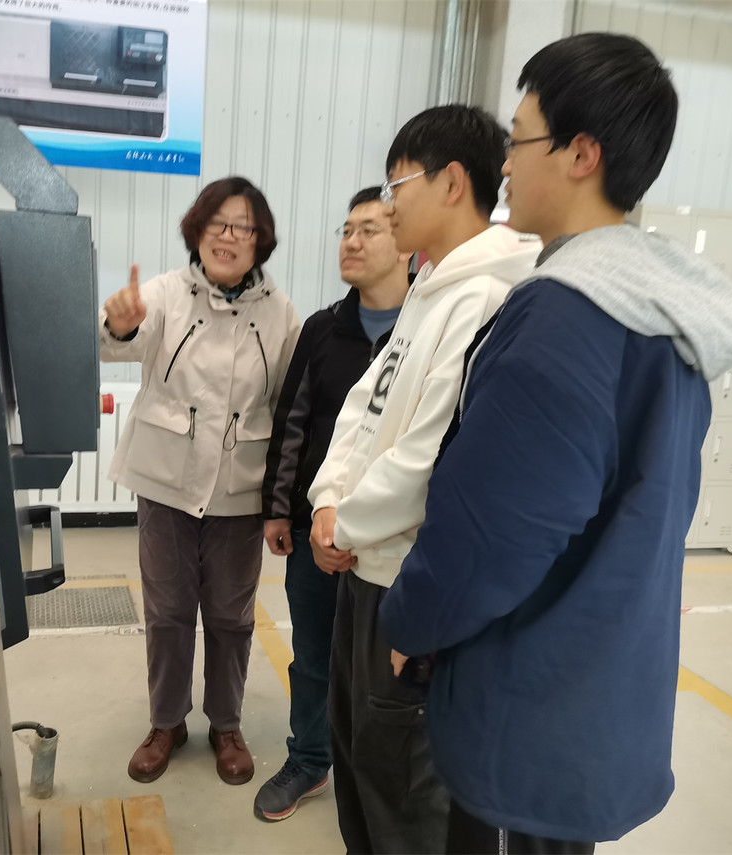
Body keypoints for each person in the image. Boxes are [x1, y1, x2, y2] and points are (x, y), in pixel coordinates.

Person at [378, 33, 732, 853]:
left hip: (527, 697)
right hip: (604, 683)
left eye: (519, 140)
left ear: (581, 154)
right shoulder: (665, 315)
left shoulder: (565, 317)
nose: (505, 164)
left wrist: (410, 619)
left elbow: (492, 537)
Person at [307, 105, 541, 854]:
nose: (386, 206)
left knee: (405, 792)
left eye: (396, 186)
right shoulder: (432, 285)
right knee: (360, 761)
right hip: (364, 567)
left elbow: (429, 454)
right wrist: (327, 499)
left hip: (406, 584)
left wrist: (344, 523)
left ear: (451, 183)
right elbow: (363, 405)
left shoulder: (488, 296)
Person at [99, 176, 301, 786]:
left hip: (239, 490)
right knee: (166, 610)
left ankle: (226, 724)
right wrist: (120, 325)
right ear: (198, 230)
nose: (228, 235)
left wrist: (282, 499)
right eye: (218, 222)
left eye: (243, 226)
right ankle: (166, 722)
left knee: (232, 614)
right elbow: (119, 345)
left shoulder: (280, 313)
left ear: (260, 240)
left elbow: (288, 405)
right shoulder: (164, 293)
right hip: (166, 483)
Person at [255, 187, 412, 822]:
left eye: (369, 229)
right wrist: (280, 510)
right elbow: (291, 422)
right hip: (313, 532)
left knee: (388, 667)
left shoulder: (428, 330)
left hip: (396, 542)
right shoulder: (323, 330)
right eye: (346, 230)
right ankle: (309, 759)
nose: (351, 241)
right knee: (314, 656)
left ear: (406, 240)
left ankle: (371, 776)